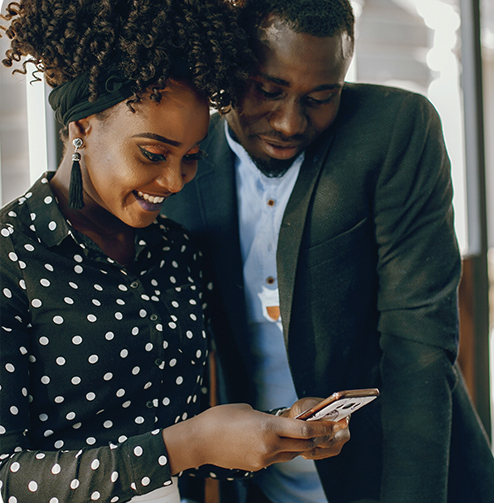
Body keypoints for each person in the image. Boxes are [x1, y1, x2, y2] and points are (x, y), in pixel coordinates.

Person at [0, 2, 351, 502]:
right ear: (81, 129)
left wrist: (274, 432)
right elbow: (4, 476)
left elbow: (184, 441)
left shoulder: (176, 252)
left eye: (190, 158)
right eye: (152, 153)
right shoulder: (10, 256)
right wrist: (182, 448)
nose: (173, 182)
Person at [162, 0, 494, 502]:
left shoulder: (395, 130)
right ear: (232, 68)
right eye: (269, 91)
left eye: (321, 97)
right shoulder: (182, 163)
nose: (289, 123)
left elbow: (419, 345)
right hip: (265, 483)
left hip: (397, 475)